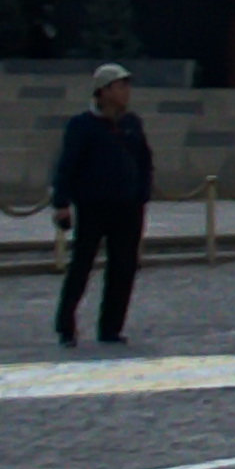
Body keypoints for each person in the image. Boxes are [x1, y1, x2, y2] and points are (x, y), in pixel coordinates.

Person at [49, 62, 156, 347]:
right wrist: (61, 202)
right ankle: (66, 324)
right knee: (82, 265)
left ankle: (111, 327)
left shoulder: (132, 124)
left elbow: (145, 162)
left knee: (123, 268)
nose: (126, 92)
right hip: (94, 206)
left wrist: (142, 194)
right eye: (121, 86)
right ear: (104, 91)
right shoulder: (82, 125)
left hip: (128, 207)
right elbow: (67, 165)